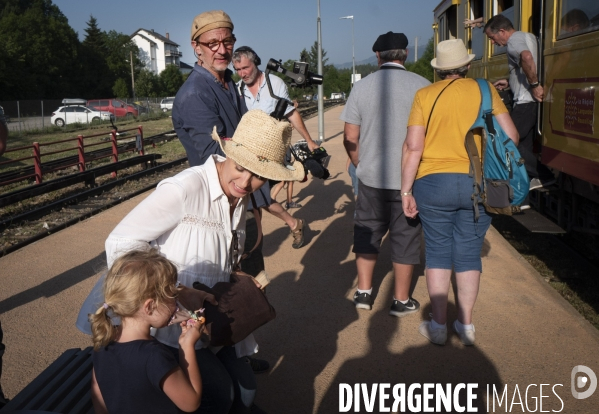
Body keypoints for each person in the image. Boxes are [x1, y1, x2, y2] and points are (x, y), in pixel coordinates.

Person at [105, 109, 304, 413]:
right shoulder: (184, 189)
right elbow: (119, 243)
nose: (246, 182)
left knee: (246, 392)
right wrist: (173, 290)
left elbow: (224, 251)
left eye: (259, 176)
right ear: (229, 153)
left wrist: (238, 275)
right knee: (222, 397)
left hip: (211, 322)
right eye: (240, 167)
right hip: (170, 331)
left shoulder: (241, 197)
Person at [401, 39, 519, 346]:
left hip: (432, 184)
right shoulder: (484, 90)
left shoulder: (424, 95)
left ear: (438, 69)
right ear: (466, 65)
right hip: (476, 183)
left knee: (438, 251)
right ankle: (466, 328)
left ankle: (438, 327)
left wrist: (405, 191)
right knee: (468, 254)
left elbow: (414, 147)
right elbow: (512, 137)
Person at [340, 31, 429, 316]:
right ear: (405, 55)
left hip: (371, 177)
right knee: (406, 236)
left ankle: (364, 293)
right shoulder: (423, 86)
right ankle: (401, 300)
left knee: (367, 230)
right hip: (410, 179)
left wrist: (359, 162)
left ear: (377, 56)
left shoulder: (362, 87)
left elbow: (350, 137)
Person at [90, 249, 204, 414]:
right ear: (149, 306)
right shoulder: (154, 356)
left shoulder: (104, 339)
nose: (177, 303)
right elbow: (191, 402)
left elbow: (98, 398)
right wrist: (187, 346)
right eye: (172, 296)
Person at [232, 46, 317, 244]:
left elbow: (291, 113)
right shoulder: (239, 89)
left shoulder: (274, 83)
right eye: (238, 70)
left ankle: (290, 225)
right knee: (252, 197)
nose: (242, 74)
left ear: (256, 63)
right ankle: (291, 225)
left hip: (274, 150)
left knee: (257, 196)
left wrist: (310, 140)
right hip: (251, 153)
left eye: (245, 68)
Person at [484, 14, 555, 192]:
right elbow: (528, 64)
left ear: (502, 31)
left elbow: (527, 58)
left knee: (506, 140)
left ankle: (544, 176)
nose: (492, 43)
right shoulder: (528, 36)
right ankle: (528, 184)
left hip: (525, 103)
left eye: (492, 38)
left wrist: (534, 85)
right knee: (522, 145)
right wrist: (510, 81)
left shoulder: (513, 41)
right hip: (528, 101)